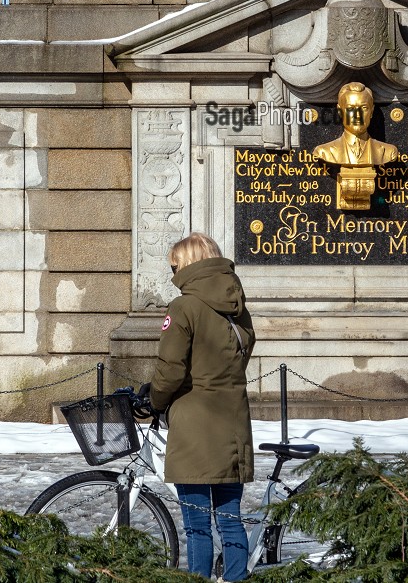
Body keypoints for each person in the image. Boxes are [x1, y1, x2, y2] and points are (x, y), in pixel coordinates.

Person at [149, 232, 255, 581]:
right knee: (230, 521)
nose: (172, 273)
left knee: (197, 527)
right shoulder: (238, 306)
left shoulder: (184, 307)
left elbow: (170, 370)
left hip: (195, 427)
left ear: (189, 264)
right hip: (233, 423)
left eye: (174, 265)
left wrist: (153, 401)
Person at [312, 82, 400, 167]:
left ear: (371, 111)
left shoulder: (388, 151)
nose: (358, 115)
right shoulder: (324, 151)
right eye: (350, 108)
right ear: (340, 111)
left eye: (364, 108)